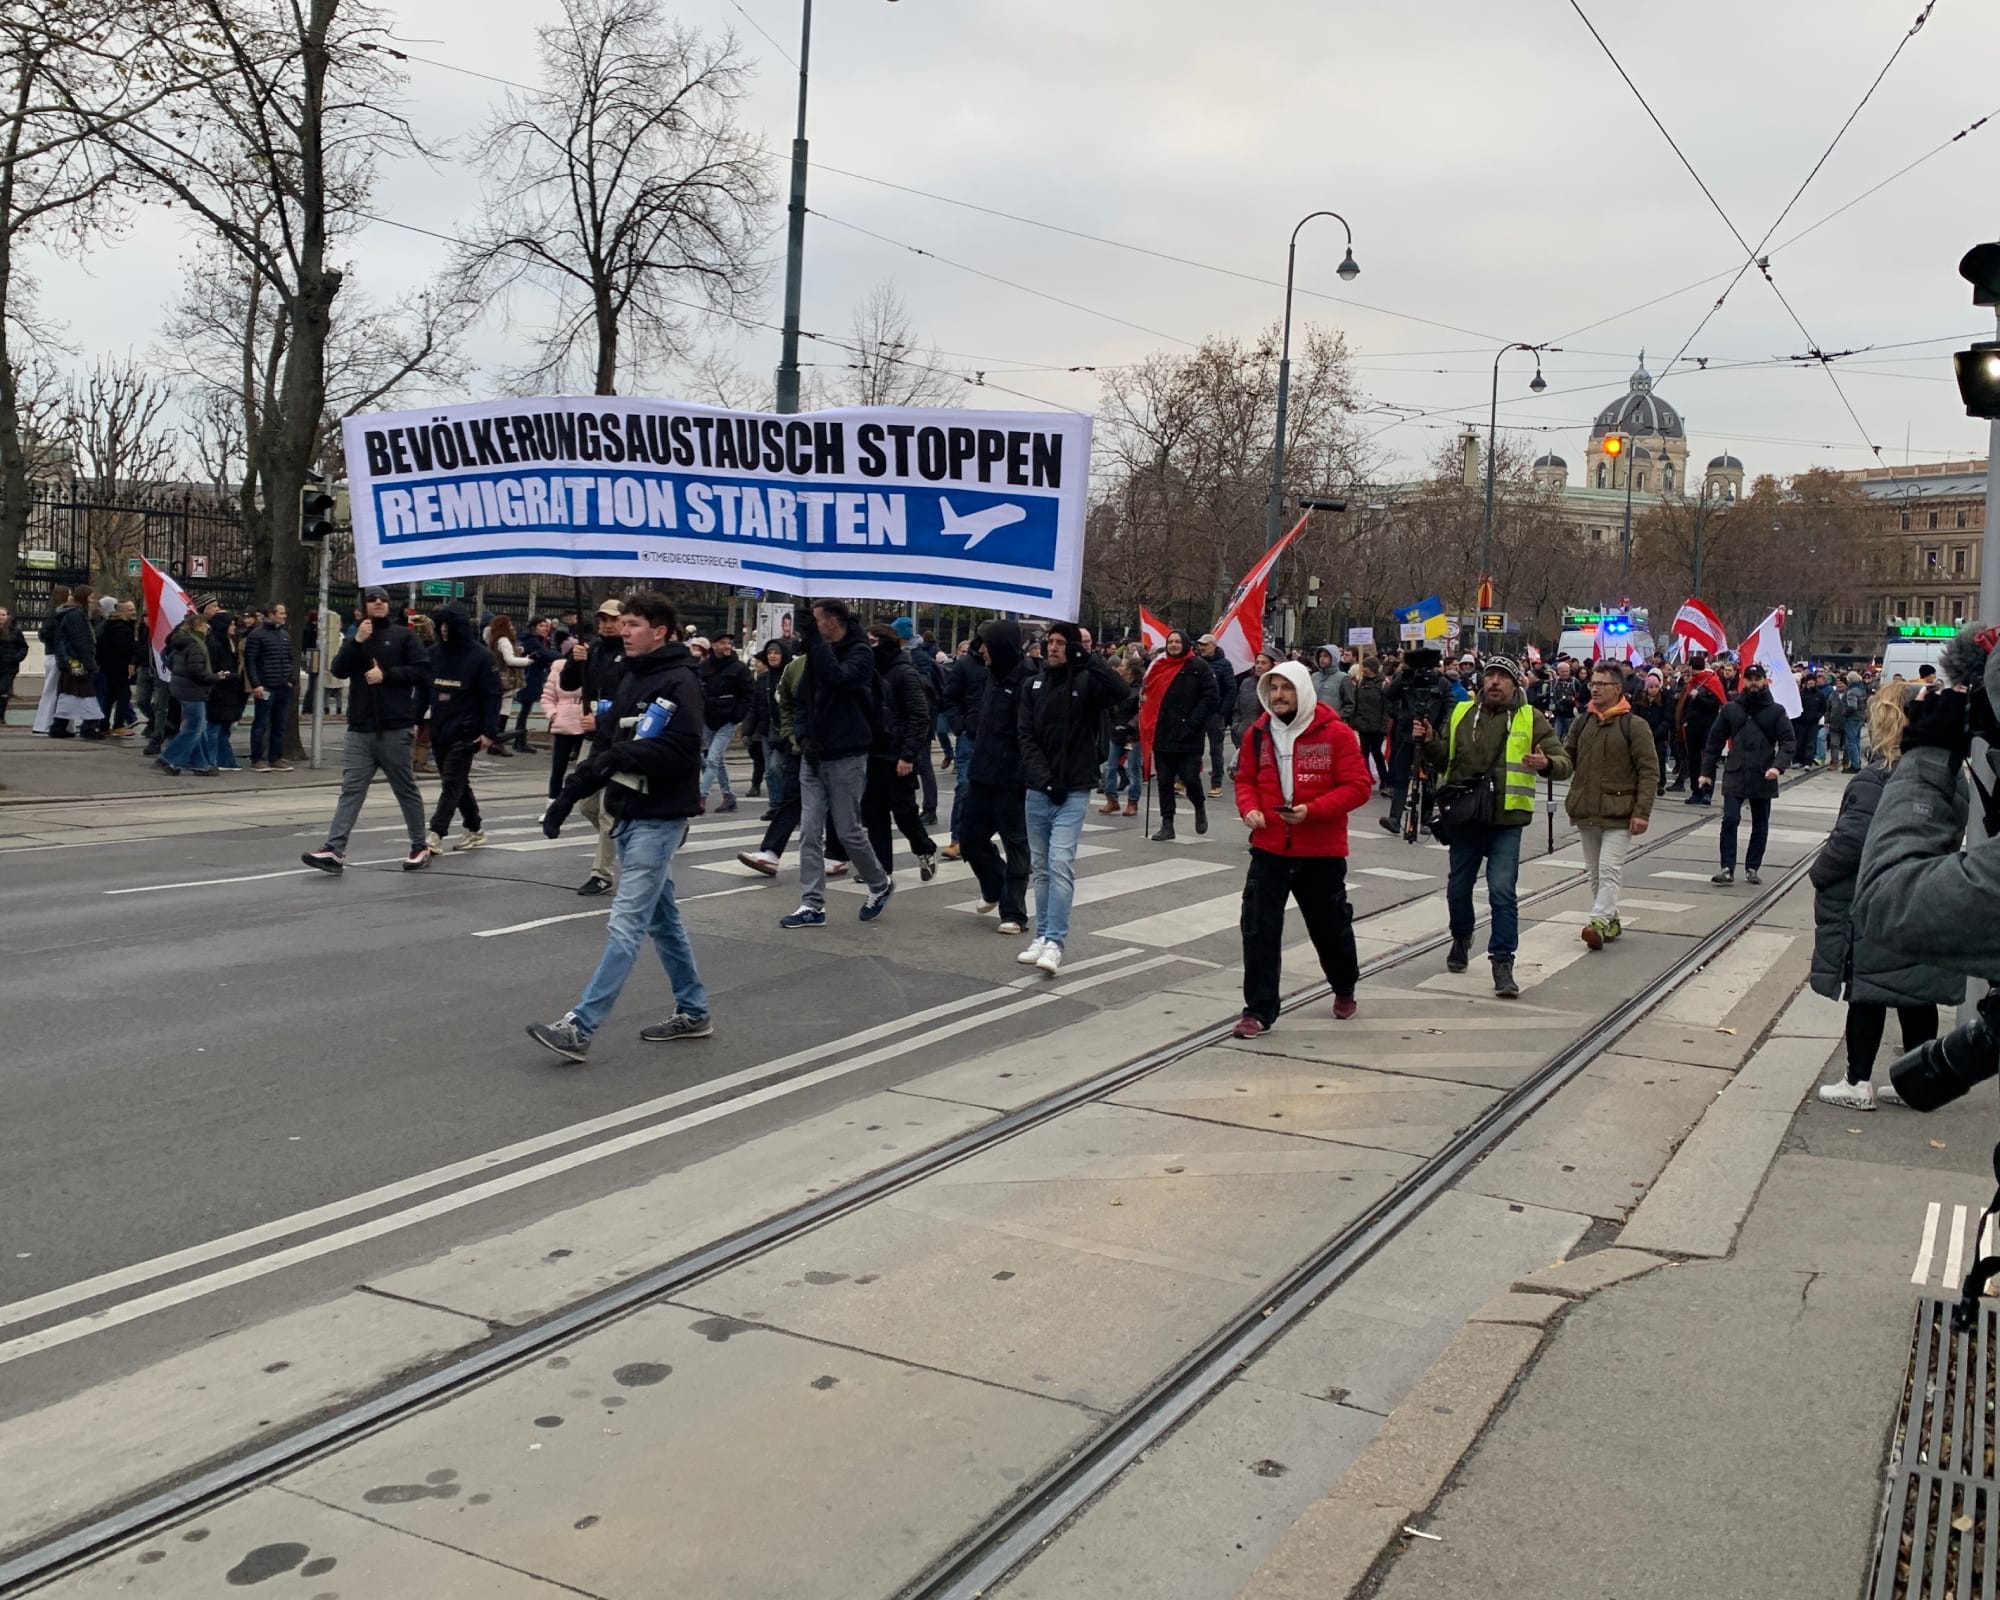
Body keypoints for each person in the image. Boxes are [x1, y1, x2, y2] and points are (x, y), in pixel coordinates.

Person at [531, 592, 712, 1062]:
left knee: (626, 922)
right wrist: (566, 798)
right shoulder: (633, 675)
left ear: (661, 632)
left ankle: (580, 1025)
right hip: (627, 812)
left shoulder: (680, 681)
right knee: (664, 921)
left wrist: (617, 754)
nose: (625, 631)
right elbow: (610, 743)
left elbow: (681, 750)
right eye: (624, 623)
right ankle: (694, 1011)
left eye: (634, 624)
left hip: (660, 816)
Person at [1811, 683, 1947, 1109]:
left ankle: (1857, 1082)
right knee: (1916, 991)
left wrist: (1820, 872)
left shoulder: (1878, 777)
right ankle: (1918, 1079)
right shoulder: (1944, 773)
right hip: (1926, 892)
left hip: (1880, 896)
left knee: (1867, 992)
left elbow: (1852, 840)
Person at [1230, 661, 1373, 1036]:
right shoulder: (1258, 734)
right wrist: (1250, 809)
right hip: (1269, 848)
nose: (1278, 696)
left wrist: (1312, 811)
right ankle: (1258, 1011)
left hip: (1320, 852)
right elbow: (1244, 778)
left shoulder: (1336, 734)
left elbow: (1358, 786)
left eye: (1285, 688)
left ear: (1302, 692)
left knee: (1330, 929)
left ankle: (1344, 986)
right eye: (1273, 688)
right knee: (1258, 930)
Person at [1416, 655, 1571, 998]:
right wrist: (1429, 741)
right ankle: (1462, 936)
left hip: (1506, 821)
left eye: (1503, 677)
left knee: (1502, 891)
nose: (1495, 683)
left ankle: (1502, 962)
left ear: (1516, 684)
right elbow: (1445, 759)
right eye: (1491, 676)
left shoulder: (1530, 718)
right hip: (1467, 818)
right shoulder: (1461, 714)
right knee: (1458, 888)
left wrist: (1546, 763)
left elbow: (1564, 764)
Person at [1015, 620, 1135, 975]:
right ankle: (1041, 934)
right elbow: (1025, 736)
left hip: (1074, 788)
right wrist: (1044, 778)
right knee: (1041, 869)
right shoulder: (1031, 685)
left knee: (1060, 863)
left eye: (1059, 642)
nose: (1052, 647)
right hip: (1039, 790)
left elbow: (1119, 690)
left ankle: (1055, 940)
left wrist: (1089, 660)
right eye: (1049, 641)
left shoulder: (1085, 680)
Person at [301, 586, 433, 873]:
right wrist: (356, 642)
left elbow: (422, 671)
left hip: (394, 727)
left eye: (383, 599)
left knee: (404, 788)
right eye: (372, 599)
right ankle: (334, 848)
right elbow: (338, 670)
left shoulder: (404, 636)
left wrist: (387, 675)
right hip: (360, 728)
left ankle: (419, 844)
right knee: (351, 790)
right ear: (362, 607)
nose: (378, 603)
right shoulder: (357, 637)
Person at [781, 599, 894, 928]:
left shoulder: (861, 652)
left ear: (832, 622)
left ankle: (879, 883)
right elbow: (801, 699)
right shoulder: (816, 654)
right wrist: (801, 737)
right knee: (810, 832)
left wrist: (815, 644)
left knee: (848, 831)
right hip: (814, 754)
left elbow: (838, 679)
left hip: (847, 752)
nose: (811, 626)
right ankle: (812, 904)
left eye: (815, 621)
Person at [1564, 658, 1660, 951]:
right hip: (1587, 809)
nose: (1594, 689)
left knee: (1608, 868)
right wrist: (1546, 763)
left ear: (1618, 688)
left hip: (1620, 812)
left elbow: (1649, 770)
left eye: (1601, 684)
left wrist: (1641, 812)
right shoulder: (1583, 722)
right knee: (1594, 872)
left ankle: (1598, 922)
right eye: (1592, 683)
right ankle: (1611, 918)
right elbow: (1567, 759)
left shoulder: (1635, 725)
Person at [959, 618, 1033, 935]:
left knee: (1015, 843)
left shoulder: (1029, 679)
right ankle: (995, 885)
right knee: (970, 838)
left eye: (987, 644)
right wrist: (971, 722)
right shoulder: (991, 675)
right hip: (982, 773)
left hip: (1011, 778)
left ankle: (1013, 912)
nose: (982, 650)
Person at [1699, 662, 1794, 886]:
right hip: (1736, 771)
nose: (1753, 683)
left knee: (1760, 823)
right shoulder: (1732, 709)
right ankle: (1727, 868)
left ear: (1764, 681)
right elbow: (1714, 742)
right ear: (1744, 681)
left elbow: (1788, 742)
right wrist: (1706, 772)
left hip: (1763, 774)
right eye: (1749, 678)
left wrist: (1778, 766)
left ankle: (1753, 867)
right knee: (1730, 819)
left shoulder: (1776, 711)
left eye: (1757, 678)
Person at [861, 621, 940, 881]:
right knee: (874, 813)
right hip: (875, 753)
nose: (868, 648)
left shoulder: (905, 673)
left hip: (898, 756)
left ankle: (925, 848)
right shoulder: (871, 672)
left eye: (872, 642)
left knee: (904, 812)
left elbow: (920, 716)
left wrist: (908, 755)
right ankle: (882, 868)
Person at [422, 605, 504, 852]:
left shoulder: (481, 657)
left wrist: (489, 732)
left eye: (449, 626)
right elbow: (425, 689)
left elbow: (493, 695)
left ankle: (436, 833)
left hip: (467, 729)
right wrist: (416, 719)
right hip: (440, 726)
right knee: (457, 782)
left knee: (451, 782)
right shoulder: (435, 653)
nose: (444, 631)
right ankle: (475, 828)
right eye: (441, 626)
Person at [561, 598, 628, 896]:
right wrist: (576, 661)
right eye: (603, 619)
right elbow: (567, 684)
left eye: (613, 619)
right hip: (597, 739)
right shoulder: (594, 650)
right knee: (587, 804)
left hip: (621, 738)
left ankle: (601, 873)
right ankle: (639, 832)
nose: (607, 624)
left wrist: (604, 721)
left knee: (606, 810)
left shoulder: (630, 653)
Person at [1146, 628, 1220, 841]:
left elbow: (1210, 697)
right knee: (1164, 781)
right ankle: (1167, 823)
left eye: (1178, 641)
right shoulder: (1159, 667)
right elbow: (1149, 694)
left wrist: (1193, 722)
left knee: (1189, 776)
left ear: (1186, 644)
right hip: (1163, 733)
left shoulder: (1199, 667)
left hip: (1189, 734)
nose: (1174, 645)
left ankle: (1199, 804)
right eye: (1171, 642)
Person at [938, 633, 989, 855]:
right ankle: (958, 838)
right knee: (965, 786)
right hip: (970, 734)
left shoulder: (1010, 665)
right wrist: (959, 725)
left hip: (998, 736)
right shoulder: (966, 665)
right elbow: (949, 697)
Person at [892, 616, 943, 824]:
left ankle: (930, 808)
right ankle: (916, 807)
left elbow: (924, 687)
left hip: (920, 718)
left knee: (923, 764)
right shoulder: (910, 654)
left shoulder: (917, 656)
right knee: (916, 764)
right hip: (912, 717)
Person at [697, 631, 754, 813]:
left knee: (713, 759)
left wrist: (736, 716)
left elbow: (748, 694)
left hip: (727, 720)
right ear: (714, 646)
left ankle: (701, 796)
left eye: (729, 643)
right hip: (708, 717)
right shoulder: (704, 667)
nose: (727, 646)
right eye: (722, 643)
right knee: (715, 760)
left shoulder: (739, 668)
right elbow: (698, 690)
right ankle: (728, 796)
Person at [158, 614, 218, 776]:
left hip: (181, 688)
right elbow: (196, 671)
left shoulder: (182, 642)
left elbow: (171, 662)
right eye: (206, 625)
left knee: (200, 728)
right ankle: (172, 758)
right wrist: (216, 677)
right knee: (194, 728)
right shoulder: (196, 645)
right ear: (199, 626)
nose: (208, 629)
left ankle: (201, 764)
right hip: (193, 690)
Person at [45, 584, 104, 738]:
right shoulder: (77, 616)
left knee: (70, 693)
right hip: (76, 661)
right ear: (84, 599)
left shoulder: (73, 614)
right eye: (91, 598)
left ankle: (59, 726)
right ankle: (88, 727)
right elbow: (81, 642)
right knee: (85, 692)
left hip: (71, 661)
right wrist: (89, 663)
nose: (94, 601)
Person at [242, 602, 296, 770]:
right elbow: (250, 661)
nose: (284, 616)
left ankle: (275, 757)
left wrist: (290, 679)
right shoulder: (257, 635)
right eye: (281, 613)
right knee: (261, 723)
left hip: (282, 685)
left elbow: (289, 658)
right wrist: (256, 684)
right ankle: (257, 758)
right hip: (265, 686)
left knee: (279, 723)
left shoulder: (284, 635)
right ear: (271, 614)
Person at [1675, 653, 1726, 803]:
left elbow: (1715, 704)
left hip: (1708, 726)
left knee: (1708, 760)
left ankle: (1706, 792)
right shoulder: (1692, 683)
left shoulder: (1711, 681)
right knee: (1693, 760)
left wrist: (1700, 697)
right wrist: (1684, 720)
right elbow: (1685, 706)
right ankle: (1695, 791)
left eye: (1692, 669)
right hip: (1692, 727)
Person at [541, 634, 588, 799]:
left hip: (585, 723)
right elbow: (547, 697)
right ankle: (552, 800)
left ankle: (578, 799)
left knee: (584, 767)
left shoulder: (589, 669)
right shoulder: (557, 671)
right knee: (558, 768)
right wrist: (553, 715)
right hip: (562, 723)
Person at [1099, 653, 1145, 817]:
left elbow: (1142, 710)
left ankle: (1133, 802)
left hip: (1131, 737)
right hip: (1116, 733)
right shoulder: (1117, 685)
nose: (1119, 668)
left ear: (1131, 670)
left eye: (1123, 666)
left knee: (1133, 769)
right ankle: (1111, 799)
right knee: (1109, 767)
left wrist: (1131, 726)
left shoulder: (1141, 688)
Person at [204, 612, 249, 771]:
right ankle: (211, 760)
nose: (234, 627)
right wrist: (229, 676)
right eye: (230, 624)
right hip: (220, 690)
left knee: (223, 728)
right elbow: (214, 668)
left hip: (230, 690)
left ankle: (225, 760)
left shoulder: (231, 642)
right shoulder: (215, 644)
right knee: (214, 727)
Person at [96, 599, 142, 737]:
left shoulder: (111, 625)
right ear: (121, 612)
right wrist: (136, 647)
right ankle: (118, 725)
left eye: (133, 609)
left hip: (110, 667)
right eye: (129, 610)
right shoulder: (120, 628)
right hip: (119, 667)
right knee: (123, 695)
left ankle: (104, 724)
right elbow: (123, 648)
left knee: (110, 696)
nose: (133, 612)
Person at [1196, 633, 1235, 795]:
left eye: (1205, 645)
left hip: (1215, 713)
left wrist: (1222, 711)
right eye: (1200, 645)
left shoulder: (1224, 664)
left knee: (1215, 749)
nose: (1202, 648)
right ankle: (1184, 781)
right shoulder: (1197, 663)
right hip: (1198, 712)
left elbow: (1231, 689)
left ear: (1214, 645)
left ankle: (1216, 783)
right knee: (1193, 747)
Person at [1229, 651, 1277, 770]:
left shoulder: (1276, 685)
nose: (1259, 666)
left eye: (1263, 663)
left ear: (1271, 665)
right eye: (1257, 663)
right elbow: (1237, 708)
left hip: (1269, 739)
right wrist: (1237, 727)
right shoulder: (1246, 683)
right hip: (1245, 735)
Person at [0, 605, 24, 725]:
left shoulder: (15, 631)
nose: (1, 618)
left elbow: (23, 647)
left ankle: (1, 716)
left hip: (9, 666)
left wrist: (16, 658)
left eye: (3, 615)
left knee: (3, 690)